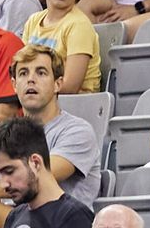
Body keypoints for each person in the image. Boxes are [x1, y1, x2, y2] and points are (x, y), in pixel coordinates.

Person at [8, 44, 102, 205]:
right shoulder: (4, 137)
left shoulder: (78, 131)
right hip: (11, 221)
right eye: (23, 73)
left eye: (41, 72)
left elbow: (38, 177)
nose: (31, 79)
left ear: (58, 84)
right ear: (14, 85)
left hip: (58, 223)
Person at [21, 0, 102, 94]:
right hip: (39, 99)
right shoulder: (33, 21)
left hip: (75, 106)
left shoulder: (79, 25)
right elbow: (22, 68)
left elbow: (70, 86)